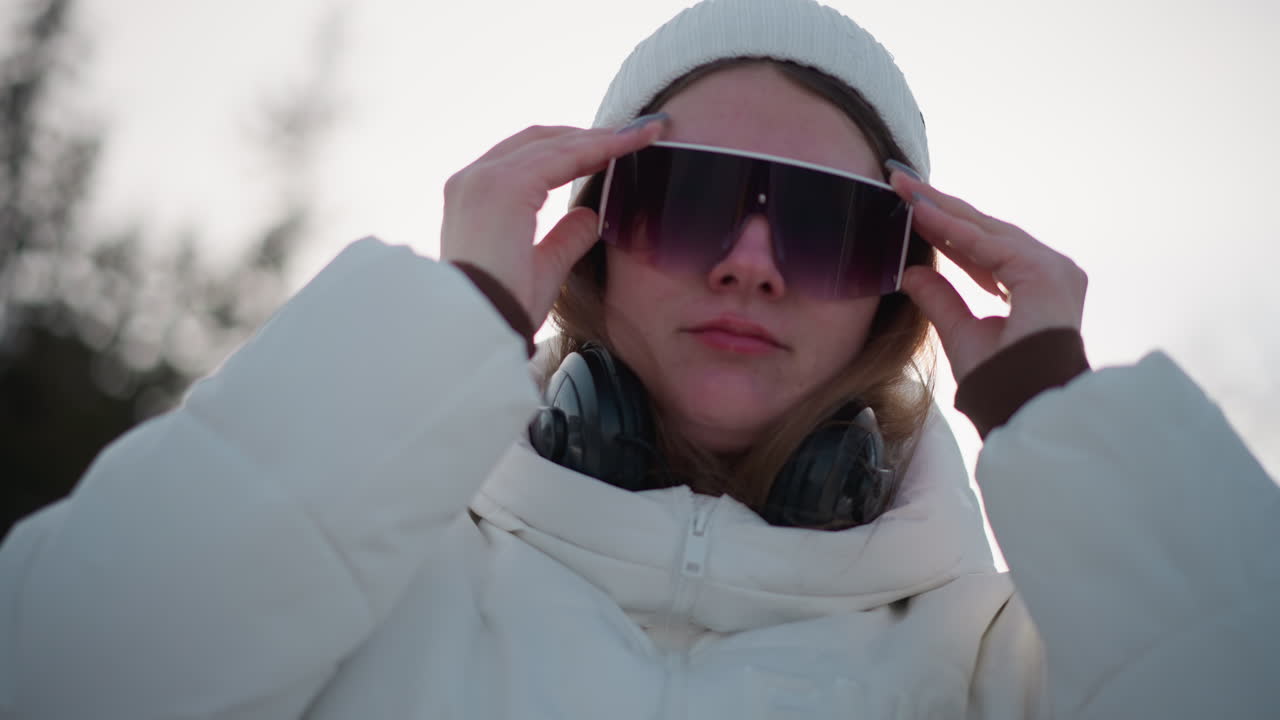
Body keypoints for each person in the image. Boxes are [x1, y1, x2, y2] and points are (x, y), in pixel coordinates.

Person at [1, 0, 1276, 717]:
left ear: (899, 289)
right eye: (691, 198)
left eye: (826, 224)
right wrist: (443, 319)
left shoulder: (1012, 669)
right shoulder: (368, 593)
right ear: (591, 237)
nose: (750, 265)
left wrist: (1062, 412)